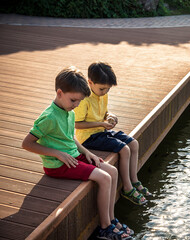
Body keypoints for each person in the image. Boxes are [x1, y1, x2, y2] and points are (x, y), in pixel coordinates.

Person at [22, 66, 134, 240]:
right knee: (104, 178)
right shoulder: (49, 117)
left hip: (73, 156)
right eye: (73, 100)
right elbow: (27, 144)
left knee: (112, 171)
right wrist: (57, 154)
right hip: (59, 164)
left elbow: (70, 137)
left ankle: (111, 219)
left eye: (79, 101)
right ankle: (104, 228)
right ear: (59, 93)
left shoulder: (69, 112)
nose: (76, 105)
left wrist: (87, 152)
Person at [74, 62, 152, 206]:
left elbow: (104, 113)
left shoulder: (102, 94)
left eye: (108, 89)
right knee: (124, 149)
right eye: (102, 88)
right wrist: (101, 124)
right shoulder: (84, 98)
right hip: (88, 137)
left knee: (133, 143)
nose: (104, 92)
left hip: (102, 131)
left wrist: (110, 116)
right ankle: (127, 188)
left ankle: (134, 180)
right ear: (90, 82)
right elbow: (76, 123)